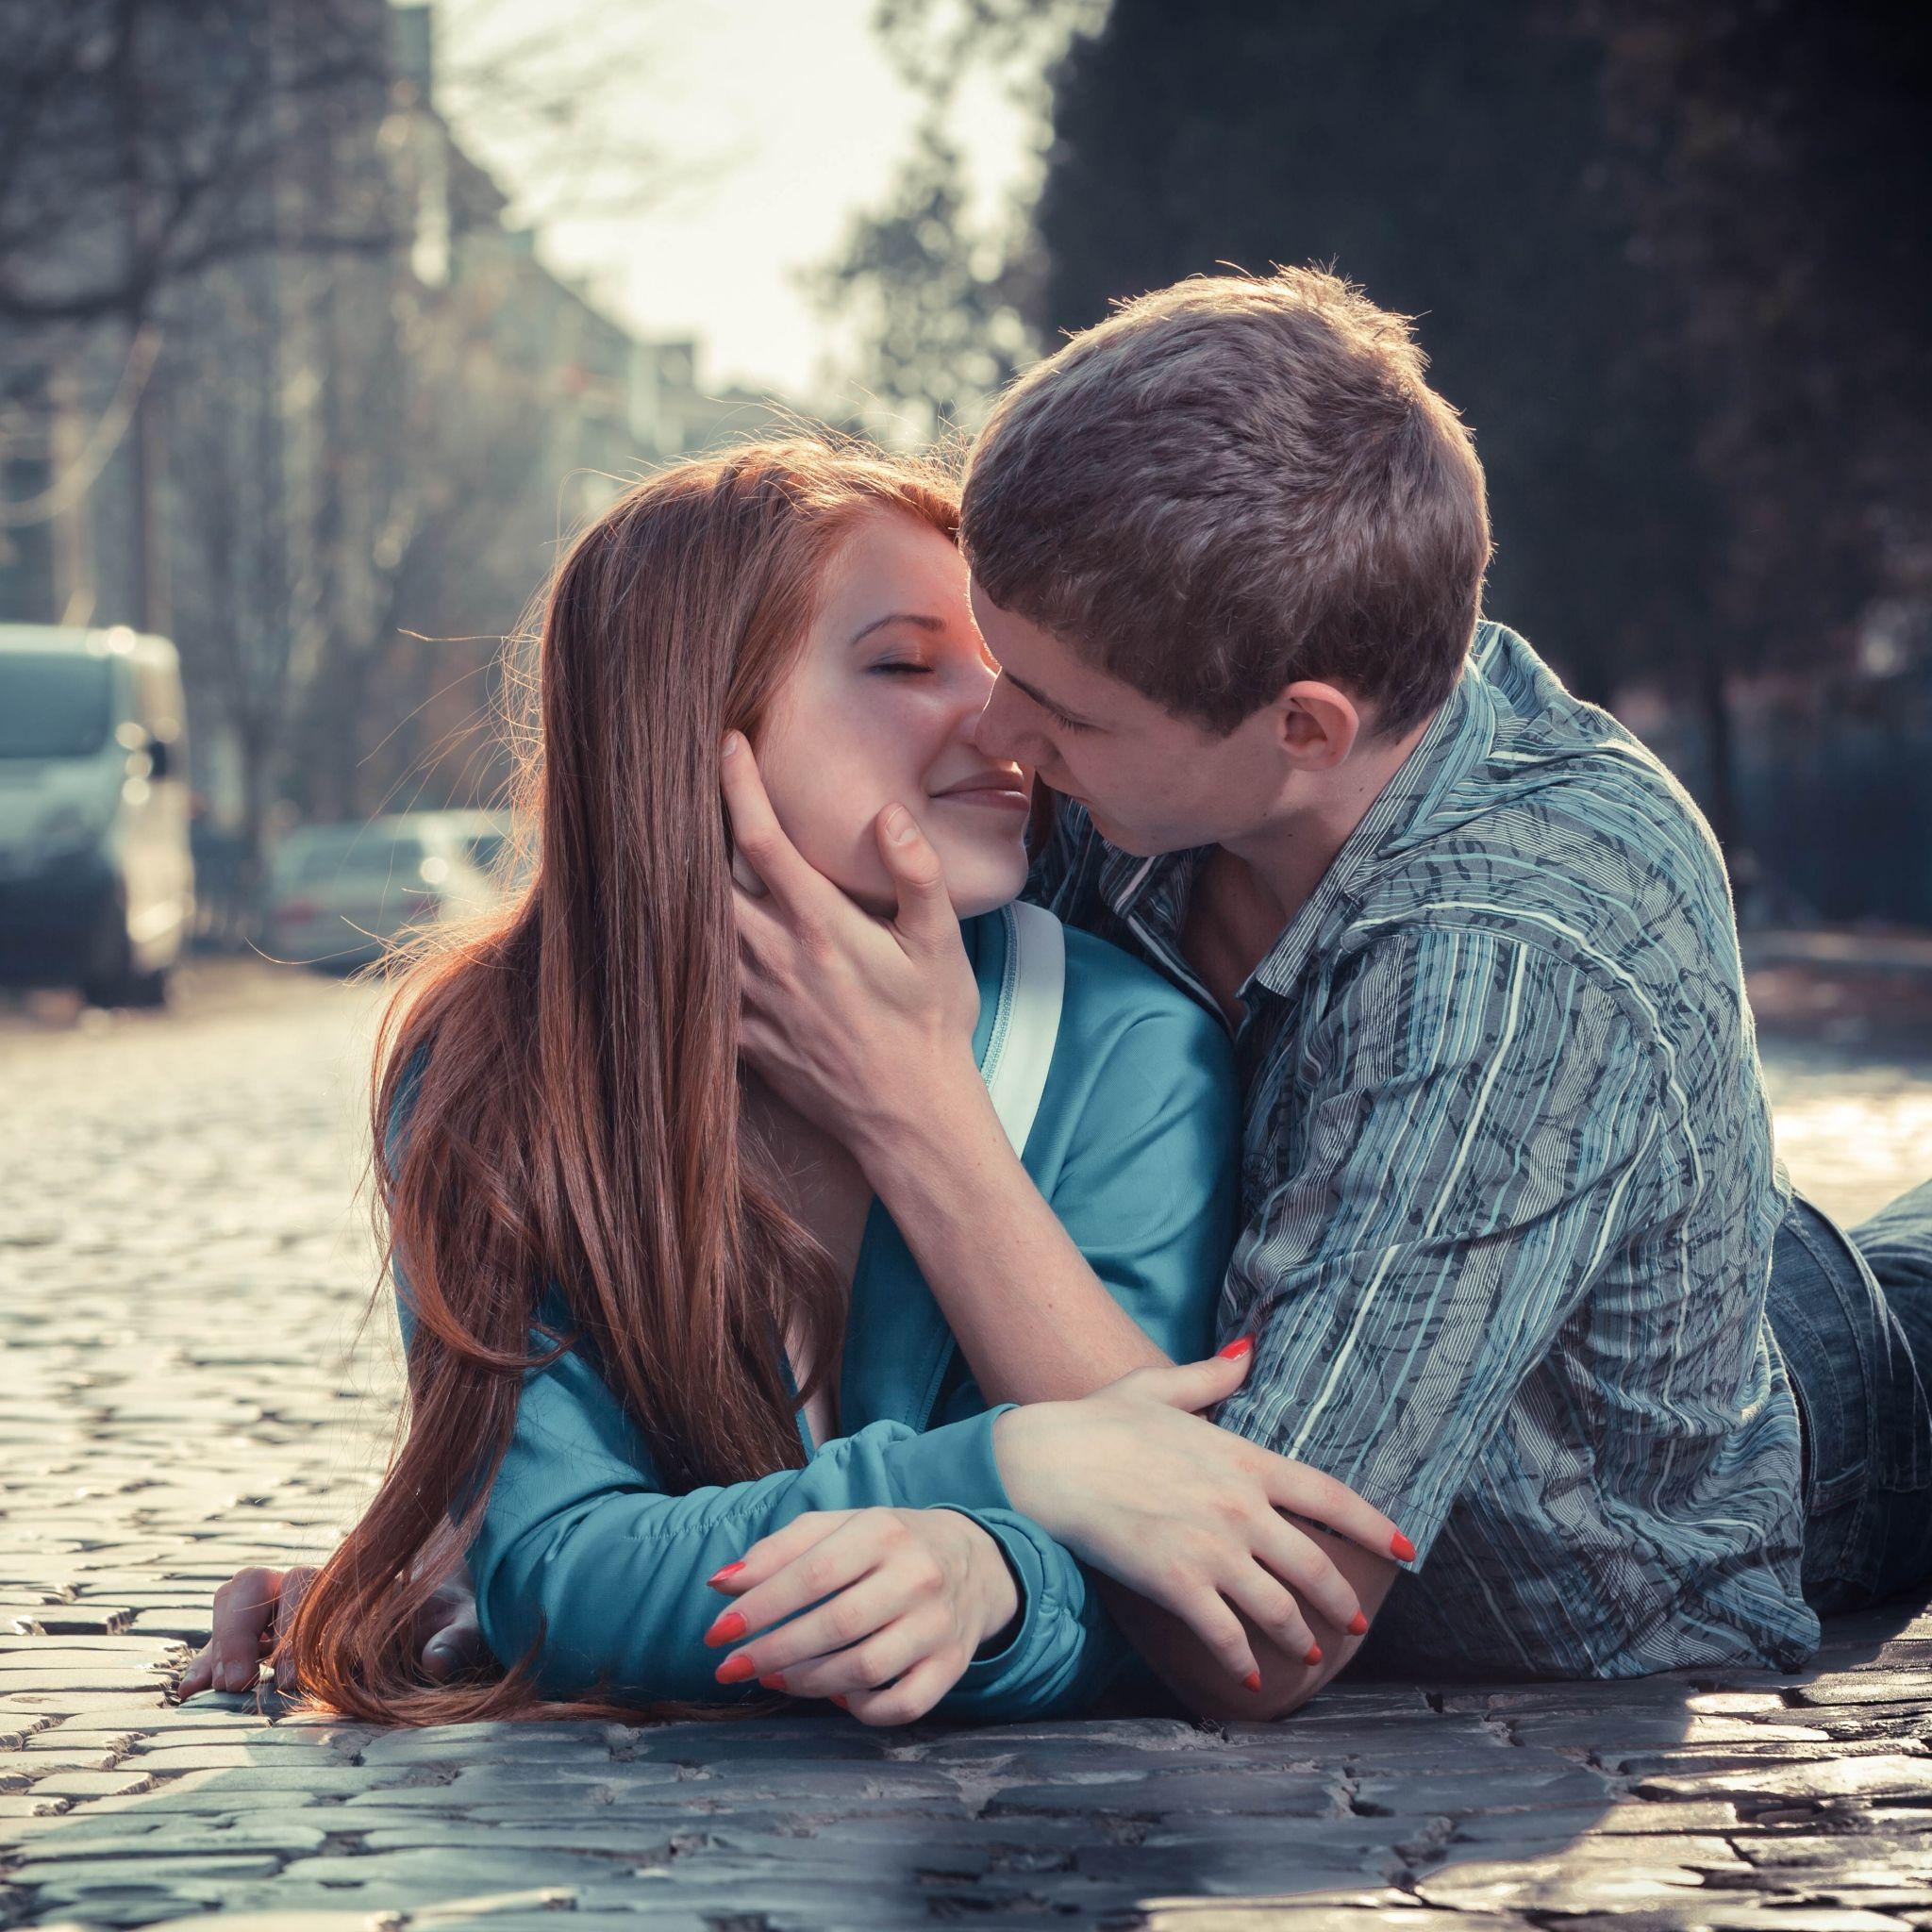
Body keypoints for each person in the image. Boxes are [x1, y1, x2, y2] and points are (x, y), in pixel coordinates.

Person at [723, 267, 1932, 1717]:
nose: (996, 730)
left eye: (1059, 711)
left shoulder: (1513, 955)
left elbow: (1264, 1623)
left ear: (1304, 729)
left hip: (1812, 1425)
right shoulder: (1164, 747)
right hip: (1667, 1241)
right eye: (996, 662)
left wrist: (913, 1107)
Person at [178, 437, 1402, 1726]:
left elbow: (1160, 1551)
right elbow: (552, 1568)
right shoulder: (489, 1061)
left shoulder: (1125, 1045)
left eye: (995, 661)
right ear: (684, 717)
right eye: (902, 663)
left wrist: (988, 1579)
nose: (998, 720)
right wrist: (1013, 1466)